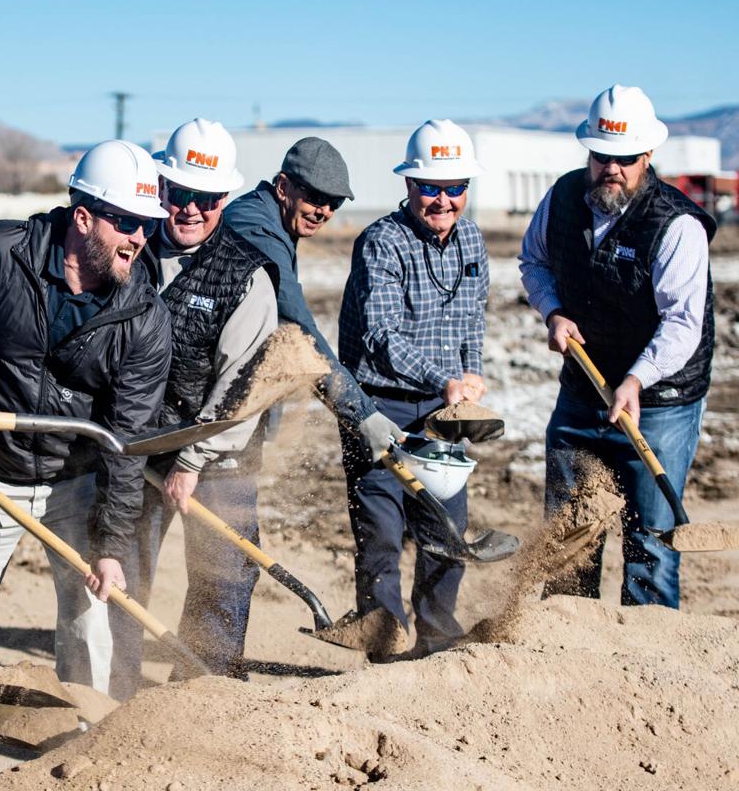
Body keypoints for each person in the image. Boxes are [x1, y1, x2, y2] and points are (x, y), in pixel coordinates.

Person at [0, 140, 172, 791]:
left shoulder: (143, 315)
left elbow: (127, 440)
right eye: (127, 222)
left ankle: (79, 762)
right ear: (84, 217)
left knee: (89, 630)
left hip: (76, 484)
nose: (140, 237)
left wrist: (111, 545)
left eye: (147, 225)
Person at [518, 85, 715, 608]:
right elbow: (533, 262)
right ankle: (567, 639)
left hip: (659, 402)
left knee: (651, 543)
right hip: (583, 388)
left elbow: (682, 323)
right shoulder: (562, 197)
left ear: (647, 155)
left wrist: (636, 380)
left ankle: (642, 650)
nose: (612, 168)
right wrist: (553, 311)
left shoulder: (676, 224)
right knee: (568, 536)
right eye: (602, 155)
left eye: (625, 159)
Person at [122, 118, 277, 687]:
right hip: (135, 447)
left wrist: (190, 461)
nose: (190, 209)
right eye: (181, 193)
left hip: (219, 453)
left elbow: (244, 386)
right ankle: (113, 690)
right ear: (161, 187)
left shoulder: (246, 276)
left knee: (221, 579)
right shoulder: (128, 251)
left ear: (224, 199)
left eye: (207, 199)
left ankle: (201, 696)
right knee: (120, 572)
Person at [336, 119, 490, 658]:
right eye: (431, 187)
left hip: (443, 410)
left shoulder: (472, 240)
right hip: (380, 406)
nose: (443, 200)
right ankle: (385, 645)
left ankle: (437, 641)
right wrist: (443, 380)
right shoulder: (382, 242)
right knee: (381, 531)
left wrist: (471, 373)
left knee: (446, 528)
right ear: (409, 185)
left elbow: (472, 320)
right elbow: (380, 336)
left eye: (454, 188)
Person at [224, 137, 404, 456]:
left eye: (335, 203)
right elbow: (297, 325)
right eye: (316, 197)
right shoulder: (254, 228)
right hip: (211, 404)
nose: (324, 211)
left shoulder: (278, 224)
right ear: (283, 187)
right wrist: (362, 415)